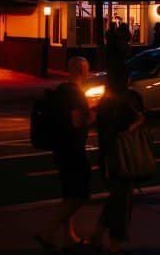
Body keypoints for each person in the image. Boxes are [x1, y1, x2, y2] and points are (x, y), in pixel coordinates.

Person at [35, 56, 95, 251]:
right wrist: (93, 116)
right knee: (80, 195)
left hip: (60, 148)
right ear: (81, 71)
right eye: (87, 70)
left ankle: (69, 236)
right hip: (73, 150)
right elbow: (78, 122)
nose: (89, 73)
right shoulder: (77, 94)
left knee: (68, 193)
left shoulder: (61, 91)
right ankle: (47, 233)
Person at [87, 73, 146, 253]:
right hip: (123, 156)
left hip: (108, 156)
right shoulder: (125, 103)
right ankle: (115, 243)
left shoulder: (105, 103)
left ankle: (98, 233)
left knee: (116, 197)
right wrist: (133, 126)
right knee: (122, 201)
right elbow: (138, 119)